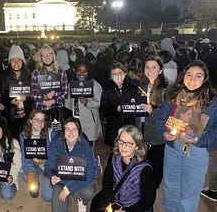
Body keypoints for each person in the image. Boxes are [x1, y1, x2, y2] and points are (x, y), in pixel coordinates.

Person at [156, 60, 217, 211]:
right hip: (172, 148)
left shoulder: (212, 101)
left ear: (205, 79)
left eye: (198, 76)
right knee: (171, 187)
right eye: (189, 75)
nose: (192, 80)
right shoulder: (173, 95)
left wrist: (199, 139)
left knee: (189, 192)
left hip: (196, 151)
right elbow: (160, 119)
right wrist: (165, 133)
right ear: (183, 76)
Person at [90, 124, 156, 212]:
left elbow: (147, 200)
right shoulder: (114, 157)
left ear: (137, 146)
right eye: (121, 141)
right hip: (115, 202)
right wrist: (109, 202)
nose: (123, 146)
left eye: (129, 143)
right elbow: (107, 183)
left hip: (134, 208)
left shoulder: (145, 169)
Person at [44, 117, 97, 212]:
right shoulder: (56, 143)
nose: (71, 133)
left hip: (80, 178)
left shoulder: (85, 145)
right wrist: (52, 176)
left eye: (74, 129)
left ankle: (82, 201)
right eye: (67, 129)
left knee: (89, 192)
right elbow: (48, 167)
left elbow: (92, 174)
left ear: (79, 131)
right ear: (63, 132)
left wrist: (69, 189)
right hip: (62, 180)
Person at [137, 56, 171, 194]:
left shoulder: (168, 89)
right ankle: (142, 188)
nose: (150, 70)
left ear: (161, 70)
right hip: (142, 134)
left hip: (157, 136)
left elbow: (171, 115)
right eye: (147, 67)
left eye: (154, 67)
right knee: (142, 165)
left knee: (157, 166)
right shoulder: (142, 86)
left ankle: (152, 191)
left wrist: (153, 110)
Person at [101, 62, 138, 148]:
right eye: (114, 74)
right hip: (114, 127)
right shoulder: (107, 90)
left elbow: (137, 108)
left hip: (129, 126)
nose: (117, 76)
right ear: (111, 76)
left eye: (120, 73)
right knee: (115, 152)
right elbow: (104, 110)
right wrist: (115, 109)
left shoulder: (133, 88)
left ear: (125, 73)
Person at [31, 44, 68, 129]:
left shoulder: (61, 72)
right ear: (40, 57)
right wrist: (45, 97)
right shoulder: (35, 73)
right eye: (43, 55)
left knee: (56, 136)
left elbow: (65, 94)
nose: (46, 57)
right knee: (42, 136)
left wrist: (54, 100)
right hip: (40, 110)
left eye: (49, 54)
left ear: (53, 55)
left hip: (57, 110)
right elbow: (33, 94)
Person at [64, 62, 102, 145]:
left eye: (85, 71)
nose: (81, 73)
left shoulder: (95, 85)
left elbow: (100, 103)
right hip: (75, 121)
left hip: (89, 123)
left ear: (89, 72)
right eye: (79, 70)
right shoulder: (71, 84)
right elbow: (67, 102)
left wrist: (88, 102)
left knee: (88, 146)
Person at [19, 109, 53, 201]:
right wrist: (30, 172)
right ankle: (36, 182)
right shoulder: (24, 135)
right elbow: (25, 158)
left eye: (42, 120)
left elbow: (55, 155)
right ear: (30, 120)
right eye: (37, 119)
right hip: (33, 164)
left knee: (47, 197)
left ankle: (44, 180)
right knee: (27, 177)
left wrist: (44, 160)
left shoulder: (51, 133)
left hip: (47, 165)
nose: (40, 122)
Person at [1, 45, 33, 140]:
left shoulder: (29, 75)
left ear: (22, 61)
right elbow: (2, 95)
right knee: (13, 138)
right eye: (13, 60)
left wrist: (26, 98)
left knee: (26, 137)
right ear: (10, 62)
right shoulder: (4, 75)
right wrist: (10, 101)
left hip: (26, 113)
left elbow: (33, 93)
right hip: (11, 114)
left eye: (18, 60)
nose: (16, 63)